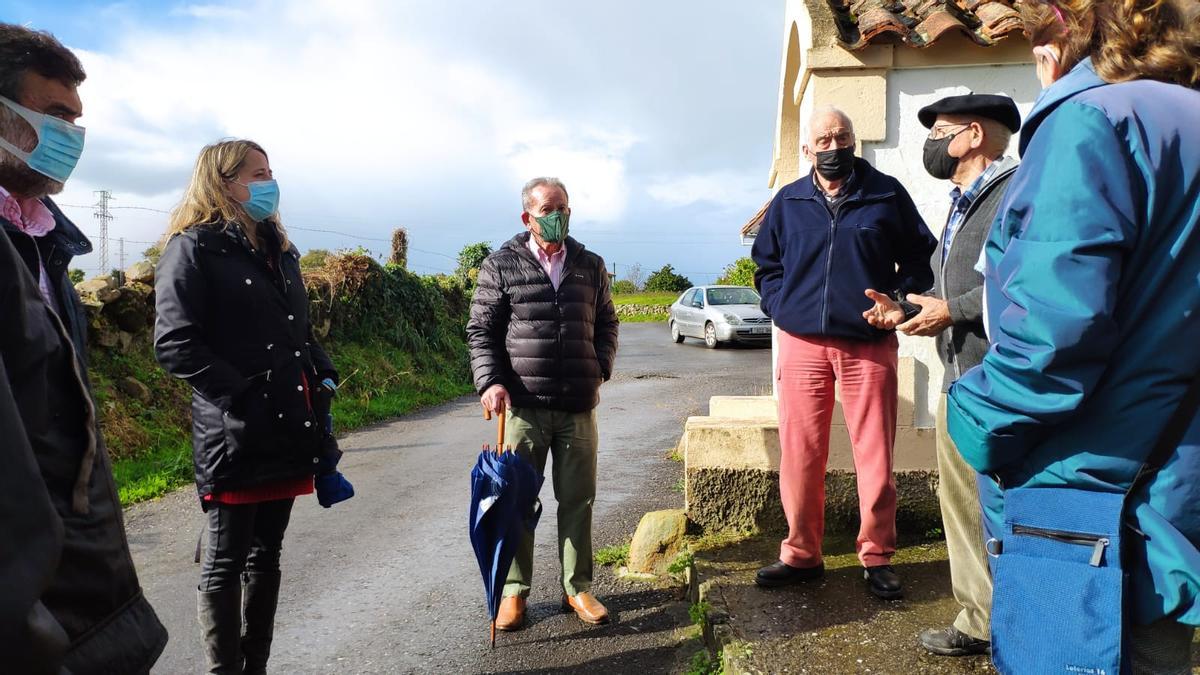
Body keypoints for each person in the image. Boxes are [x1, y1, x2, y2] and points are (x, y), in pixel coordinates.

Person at [946, 1, 1200, 672]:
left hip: (1095, 503)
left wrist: (969, 419)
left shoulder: (1095, 123)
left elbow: (1053, 339)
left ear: (1056, 44)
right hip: (1174, 480)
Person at [0, 23, 167, 674]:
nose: (72, 135)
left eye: (78, 119)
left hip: (87, 607)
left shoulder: (44, 243)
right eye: (54, 114)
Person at [154, 139, 339, 674]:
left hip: (288, 424)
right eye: (257, 173)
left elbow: (294, 330)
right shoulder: (192, 248)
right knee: (225, 562)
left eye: (271, 171)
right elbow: (176, 343)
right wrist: (242, 396)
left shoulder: (278, 247)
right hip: (234, 432)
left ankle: (253, 667)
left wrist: (321, 369)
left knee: (267, 558)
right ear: (223, 181)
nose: (269, 182)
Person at [752, 106, 938, 599]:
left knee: (874, 455)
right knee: (800, 453)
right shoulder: (788, 201)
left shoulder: (886, 194)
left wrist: (900, 303)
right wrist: (780, 306)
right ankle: (801, 554)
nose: (835, 147)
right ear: (808, 148)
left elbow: (922, 258)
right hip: (801, 344)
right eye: (825, 139)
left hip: (869, 344)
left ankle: (877, 555)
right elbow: (765, 265)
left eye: (843, 136)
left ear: (854, 141)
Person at [863, 94, 1020, 655]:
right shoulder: (960, 203)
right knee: (961, 509)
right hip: (961, 384)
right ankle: (978, 620)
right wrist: (902, 310)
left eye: (941, 131)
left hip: (1001, 385)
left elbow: (1021, 285)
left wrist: (951, 310)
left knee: (1005, 511)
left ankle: (1022, 627)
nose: (931, 141)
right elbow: (938, 285)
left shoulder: (1016, 194)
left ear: (973, 135)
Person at [467, 176, 619, 630]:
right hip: (524, 407)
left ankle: (578, 588)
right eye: (549, 209)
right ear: (527, 216)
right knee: (515, 502)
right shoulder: (501, 265)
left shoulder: (589, 264)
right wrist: (490, 382)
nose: (558, 217)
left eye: (564, 208)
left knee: (578, 500)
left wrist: (600, 366)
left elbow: (608, 322)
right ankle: (514, 592)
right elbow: (481, 332)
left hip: (577, 405)